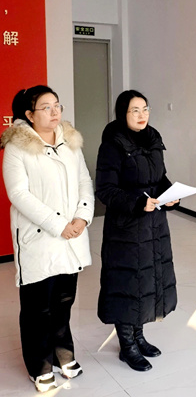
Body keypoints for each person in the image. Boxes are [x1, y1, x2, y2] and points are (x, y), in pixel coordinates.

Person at [2, 86, 94, 392]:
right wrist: (58, 225)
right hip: (40, 237)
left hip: (71, 234)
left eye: (57, 105)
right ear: (30, 115)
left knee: (64, 301)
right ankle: (38, 364)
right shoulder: (17, 147)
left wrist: (82, 216)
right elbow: (18, 194)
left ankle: (62, 353)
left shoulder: (70, 142)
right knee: (37, 308)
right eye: (46, 107)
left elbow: (84, 180)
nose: (55, 112)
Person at [96, 90, 180, 372]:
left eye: (145, 109)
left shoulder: (153, 138)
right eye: (135, 110)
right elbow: (105, 190)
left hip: (154, 223)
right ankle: (127, 345)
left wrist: (170, 194)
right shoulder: (112, 144)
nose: (142, 115)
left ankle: (139, 336)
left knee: (147, 281)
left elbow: (160, 177)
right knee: (127, 283)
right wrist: (136, 202)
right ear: (123, 113)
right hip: (126, 228)